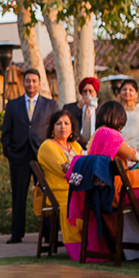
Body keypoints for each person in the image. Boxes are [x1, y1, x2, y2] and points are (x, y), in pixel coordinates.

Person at [68, 101, 139, 252]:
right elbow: (134, 155)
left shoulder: (96, 135)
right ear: (118, 119)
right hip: (116, 192)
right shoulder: (111, 134)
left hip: (102, 191)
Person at [0, 68, 58, 244]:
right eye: (28, 80)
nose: (31, 84)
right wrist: (9, 153)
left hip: (42, 157)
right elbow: (5, 132)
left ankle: (49, 234)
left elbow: (54, 132)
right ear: (23, 83)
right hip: (19, 157)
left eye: (34, 81)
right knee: (18, 196)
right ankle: (16, 234)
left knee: (45, 195)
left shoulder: (51, 105)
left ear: (40, 84)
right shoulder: (12, 105)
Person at [36, 110, 84, 259]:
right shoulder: (47, 146)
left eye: (66, 123)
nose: (62, 127)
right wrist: (79, 170)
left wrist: (75, 168)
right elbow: (65, 172)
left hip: (78, 187)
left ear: (72, 128)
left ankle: (97, 245)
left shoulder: (75, 146)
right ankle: (77, 248)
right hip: (59, 192)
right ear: (52, 128)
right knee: (75, 204)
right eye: (58, 124)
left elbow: (80, 168)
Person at [63, 77, 99, 149]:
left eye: (90, 91)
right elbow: (66, 118)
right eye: (85, 91)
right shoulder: (70, 107)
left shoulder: (100, 109)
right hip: (76, 146)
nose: (87, 94)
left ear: (95, 92)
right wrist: (79, 106)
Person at [118, 78, 139, 149]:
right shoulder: (115, 110)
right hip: (119, 148)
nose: (127, 92)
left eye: (131, 90)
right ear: (120, 93)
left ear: (136, 94)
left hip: (138, 147)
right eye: (124, 89)